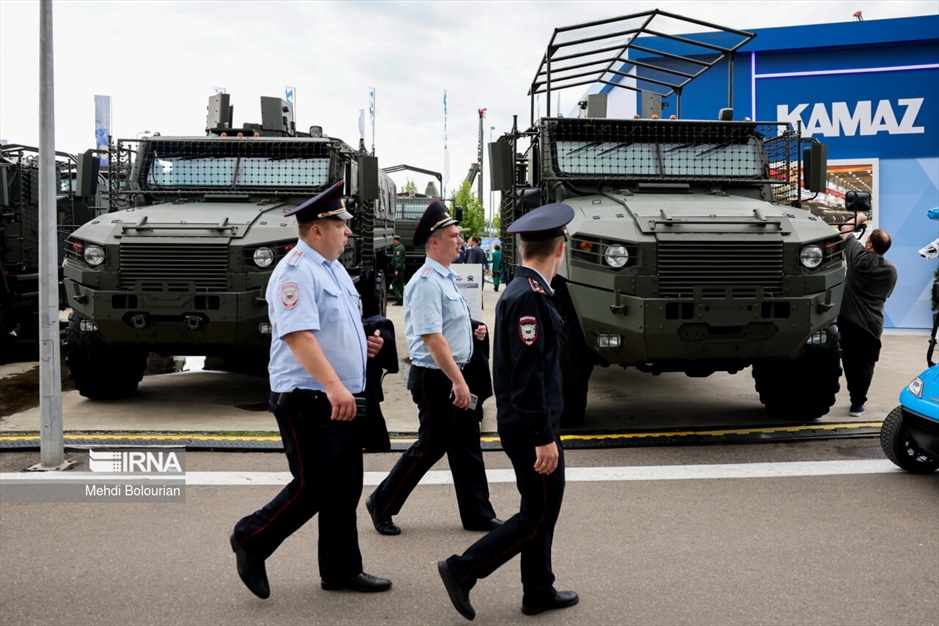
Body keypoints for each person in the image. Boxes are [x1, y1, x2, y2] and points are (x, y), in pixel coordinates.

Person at [230, 180, 392, 599]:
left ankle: (340, 570)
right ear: (317, 229)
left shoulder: (332, 267)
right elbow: (299, 336)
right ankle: (251, 537)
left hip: (337, 395)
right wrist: (336, 386)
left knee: (345, 487)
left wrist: (367, 343)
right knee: (314, 485)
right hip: (308, 398)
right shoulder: (296, 271)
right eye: (341, 224)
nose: (349, 231)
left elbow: (338, 325)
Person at [437, 203, 579, 621]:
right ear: (560, 247)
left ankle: (538, 589)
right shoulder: (529, 298)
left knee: (540, 509)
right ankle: (463, 569)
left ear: (521, 248)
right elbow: (527, 376)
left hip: (529, 422)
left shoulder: (524, 291)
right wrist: (543, 436)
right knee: (537, 514)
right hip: (531, 426)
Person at [366, 200, 501, 536]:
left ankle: (478, 514)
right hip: (437, 377)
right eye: (453, 236)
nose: (460, 240)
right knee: (430, 446)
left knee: (467, 445)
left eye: (459, 235)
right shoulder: (426, 281)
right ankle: (382, 503)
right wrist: (458, 381)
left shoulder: (446, 277)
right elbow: (431, 336)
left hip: (456, 373)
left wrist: (472, 329)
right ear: (434, 241)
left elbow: (447, 325)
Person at [838, 212, 898, 417]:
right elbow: (886, 295)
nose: (864, 241)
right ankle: (858, 403)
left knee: (849, 360)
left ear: (870, 245)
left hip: (849, 320)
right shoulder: (891, 270)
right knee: (866, 364)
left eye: (868, 239)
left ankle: (853, 394)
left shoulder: (858, 258)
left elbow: (845, 229)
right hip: (872, 325)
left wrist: (862, 216)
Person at [391, 234, 406, 305]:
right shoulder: (401, 247)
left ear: (396, 240)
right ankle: (402, 299)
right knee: (400, 284)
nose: (393, 242)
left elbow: (398, 260)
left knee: (394, 283)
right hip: (401, 267)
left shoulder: (398, 249)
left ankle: (399, 297)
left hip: (399, 268)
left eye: (394, 240)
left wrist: (396, 269)